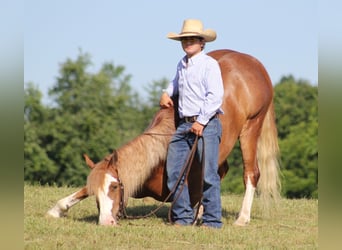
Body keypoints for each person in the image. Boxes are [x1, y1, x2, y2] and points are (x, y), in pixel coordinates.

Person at [159, 19, 224, 228]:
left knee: (208, 175)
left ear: (202, 42)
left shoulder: (209, 65)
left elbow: (215, 96)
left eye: (192, 39)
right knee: (174, 172)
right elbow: (175, 83)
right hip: (184, 125)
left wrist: (202, 121)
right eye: (184, 39)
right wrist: (166, 93)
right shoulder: (182, 63)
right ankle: (183, 217)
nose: (187, 42)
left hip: (206, 125)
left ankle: (212, 221)